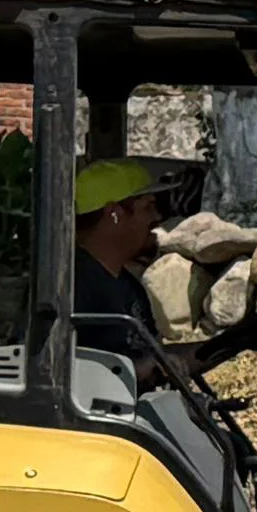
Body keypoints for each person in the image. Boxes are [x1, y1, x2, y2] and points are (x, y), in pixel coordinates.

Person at [70, 155, 199, 381]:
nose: (158, 217)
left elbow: (155, 359)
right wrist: (136, 370)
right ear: (114, 214)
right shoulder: (69, 287)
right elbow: (63, 372)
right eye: (148, 206)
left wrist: (235, 342)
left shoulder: (128, 287)